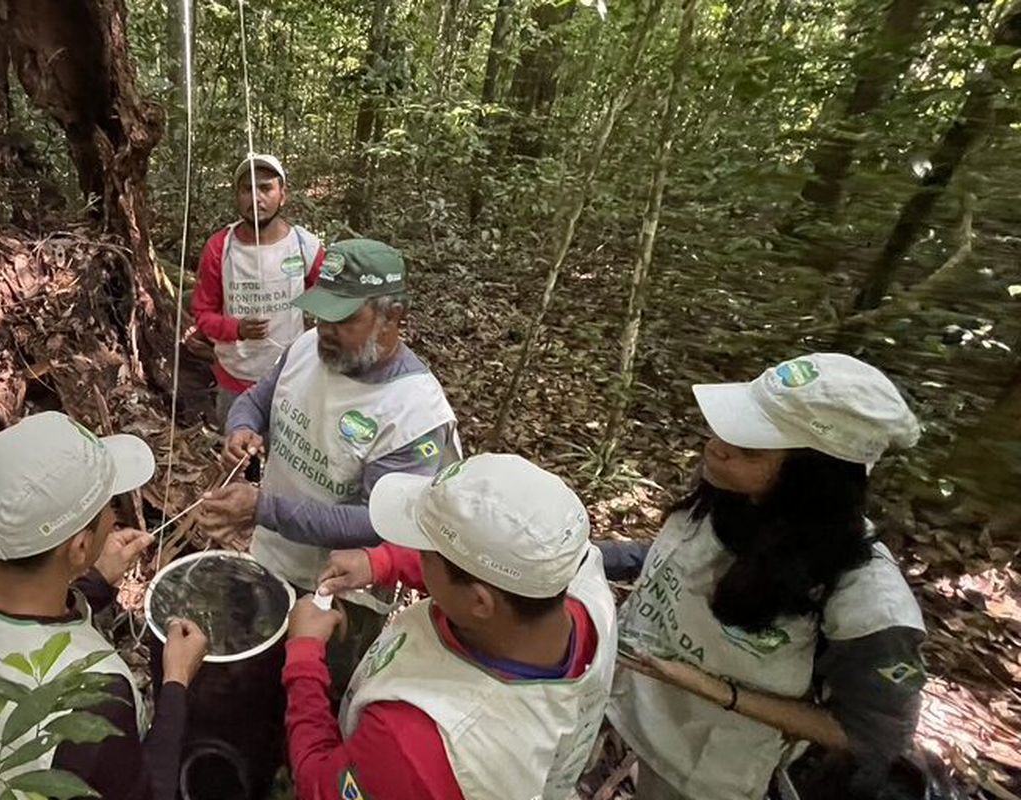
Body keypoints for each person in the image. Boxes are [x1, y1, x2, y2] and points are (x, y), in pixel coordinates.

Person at [602, 353, 927, 800]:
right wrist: (586, 556)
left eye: (749, 447)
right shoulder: (733, 497)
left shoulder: (867, 604)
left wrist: (715, 690)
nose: (717, 447)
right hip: (648, 715)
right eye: (728, 429)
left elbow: (874, 734)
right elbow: (681, 556)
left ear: (813, 478)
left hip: (714, 770)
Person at [197, 237, 458, 689]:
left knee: (317, 689)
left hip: (339, 592)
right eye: (320, 314)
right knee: (254, 682)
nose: (327, 329)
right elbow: (256, 400)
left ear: (393, 318)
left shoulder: (414, 415)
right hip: (269, 557)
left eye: (345, 318)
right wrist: (241, 428)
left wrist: (263, 510)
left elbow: (378, 525)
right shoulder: (306, 349)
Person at [287, 453, 618, 800]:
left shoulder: (420, 743)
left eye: (426, 554)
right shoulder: (575, 577)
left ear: (479, 603)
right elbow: (490, 579)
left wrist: (304, 656)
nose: (416, 553)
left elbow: (317, 785)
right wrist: (384, 562)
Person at [0, 411, 210, 800]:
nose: (114, 516)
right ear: (78, 548)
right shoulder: (91, 703)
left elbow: (13, 631)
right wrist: (176, 682)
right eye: (109, 507)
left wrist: (96, 583)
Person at [188, 153, 325, 426]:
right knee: (238, 458)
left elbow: (328, 302)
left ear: (282, 194)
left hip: (289, 377)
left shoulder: (304, 246)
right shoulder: (220, 247)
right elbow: (203, 312)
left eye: (265, 188)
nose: (255, 198)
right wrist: (236, 329)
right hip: (234, 377)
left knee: (283, 455)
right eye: (246, 189)